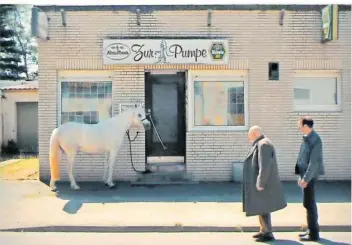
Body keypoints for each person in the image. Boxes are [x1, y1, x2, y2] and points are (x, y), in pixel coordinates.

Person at [242, 125, 287, 242]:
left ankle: (267, 233)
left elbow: (265, 166)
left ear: (254, 134)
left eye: (249, 135)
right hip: (263, 181)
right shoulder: (262, 143)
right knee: (261, 206)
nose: (249, 138)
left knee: (263, 207)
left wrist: (260, 182)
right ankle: (263, 230)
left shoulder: (263, 144)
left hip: (264, 183)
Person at [295, 117, 324, 241]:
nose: (298, 126)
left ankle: (313, 234)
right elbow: (302, 157)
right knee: (307, 203)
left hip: (309, 176)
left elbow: (313, 162)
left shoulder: (315, 139)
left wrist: (306, 179)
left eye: (299, 124)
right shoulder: (307, 138)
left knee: (310, 204)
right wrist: (300, 174)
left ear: (305, 125)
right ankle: (310, 229)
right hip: (305, 175)